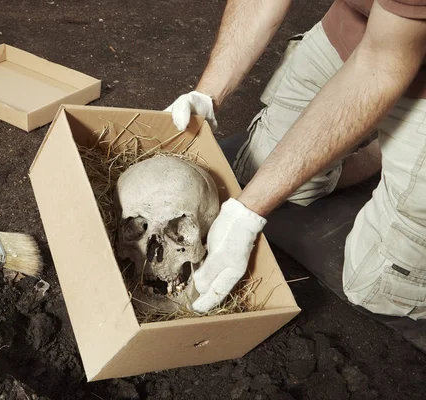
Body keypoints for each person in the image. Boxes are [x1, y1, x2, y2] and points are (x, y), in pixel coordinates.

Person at [166, 0, 426, 318]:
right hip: (360, 30)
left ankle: (403, 143)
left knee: (378, 288)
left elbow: (379, 68)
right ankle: (384, 152)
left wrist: (248, 211)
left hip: (392, 60)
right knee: (265, 172)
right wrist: (208, 94)